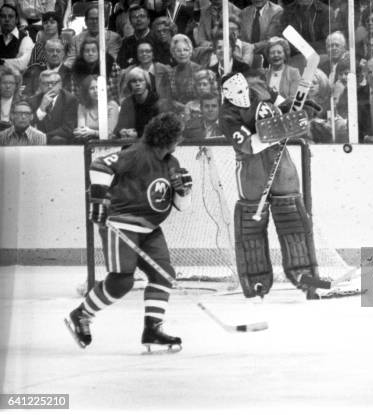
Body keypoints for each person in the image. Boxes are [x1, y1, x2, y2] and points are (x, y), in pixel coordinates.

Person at [66, 112, 191, 351]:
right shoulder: (137, 153)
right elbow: (100, 165)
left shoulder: (171, 163)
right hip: (121, 225)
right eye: (179, 135)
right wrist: (99, 201)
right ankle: (81, 314)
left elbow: (181, 207)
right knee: (122, 281)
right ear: (169, 137)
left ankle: (152, 329)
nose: (181, 140)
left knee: (163, 275)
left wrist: (184, 191)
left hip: (151, 229)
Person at [218, 71, 329, 300]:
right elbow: (249, 145)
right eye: (237, 93)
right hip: (252, 168)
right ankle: (256, 278)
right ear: (226, 94)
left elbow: (282, 105)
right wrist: (281, 128)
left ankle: (305, 275)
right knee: (250, 225)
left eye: (245, 90)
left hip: (280, 159)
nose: (243, 96)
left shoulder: (259, 87)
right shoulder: (227, 115)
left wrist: (295, 109)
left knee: (293, 217)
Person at [74, 75, 120, 141]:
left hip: (108, 142)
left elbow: (110, 133)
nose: (96, 91)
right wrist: (81, 132)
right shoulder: (82, 106)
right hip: (88, 141)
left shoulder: (112, 105)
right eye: (92, 88)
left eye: (98, 87)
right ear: (86, 91)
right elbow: (81, 130)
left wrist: (92, 132)